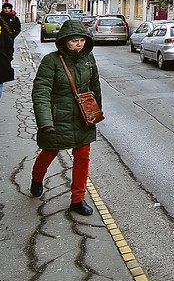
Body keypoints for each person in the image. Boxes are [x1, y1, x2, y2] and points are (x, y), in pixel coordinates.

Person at [30, 19, 101, 216]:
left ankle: (78, 199)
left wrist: (96, 113)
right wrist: (45, 122)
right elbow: (41, 92)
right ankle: (36, 179)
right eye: (74, 41)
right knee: (49, 153)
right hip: (57, 118)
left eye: (82, 40)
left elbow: (95, 87)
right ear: (63, 42)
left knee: (82, 158)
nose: (79, 44)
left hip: (82, 119)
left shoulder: (89, 59)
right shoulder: (51, 61)